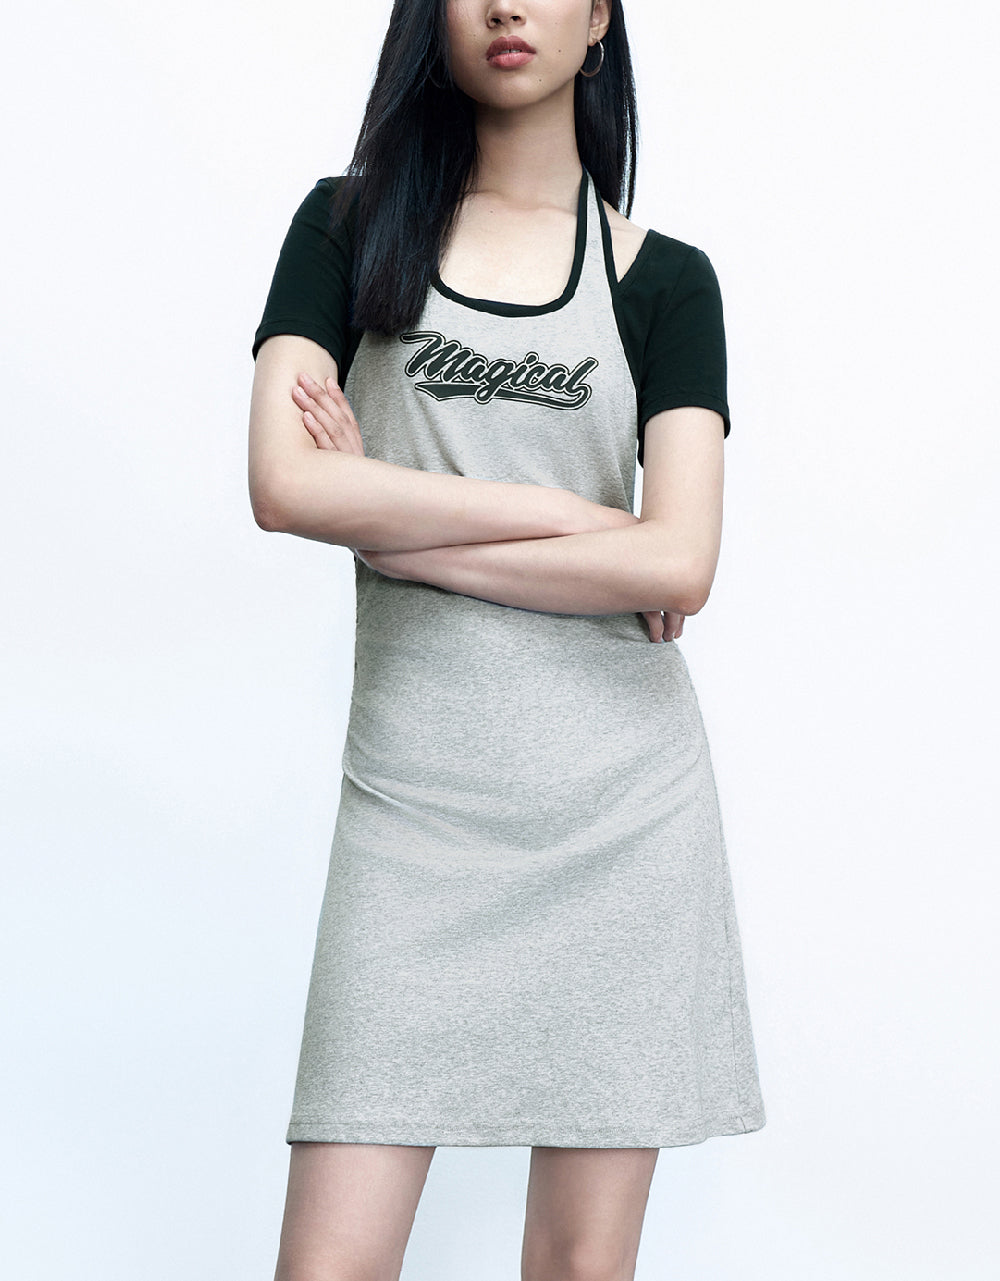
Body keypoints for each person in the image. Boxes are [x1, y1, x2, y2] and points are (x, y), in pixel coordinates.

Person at [248, 2, 766, 1278]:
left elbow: (677, 564)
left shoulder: (665, 280)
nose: (504, 6)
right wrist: (574, 521)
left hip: (621, 820)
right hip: (410, 817)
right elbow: (286, 485)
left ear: (598, 17)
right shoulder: (344, 228)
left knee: (580, 1268)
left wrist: (398, 533)